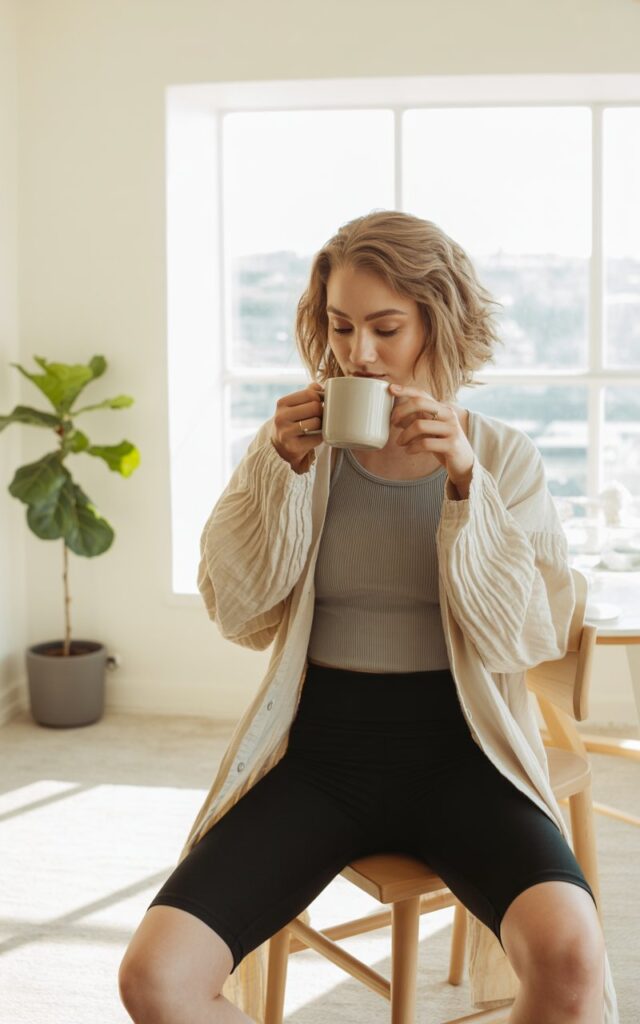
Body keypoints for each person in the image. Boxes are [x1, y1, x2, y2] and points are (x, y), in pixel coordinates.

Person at [118, 211, 619, 1024]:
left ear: (437, 323)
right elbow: (239, 614)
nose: (358, 354)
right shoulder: (293, 453)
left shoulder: (500, 457)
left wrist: (464, 484)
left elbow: (522, 637)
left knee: (571, 960)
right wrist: (277, 472)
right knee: (154, 977)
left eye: (386, 328)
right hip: (319, 758)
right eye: (340, 326)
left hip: (468, 755)